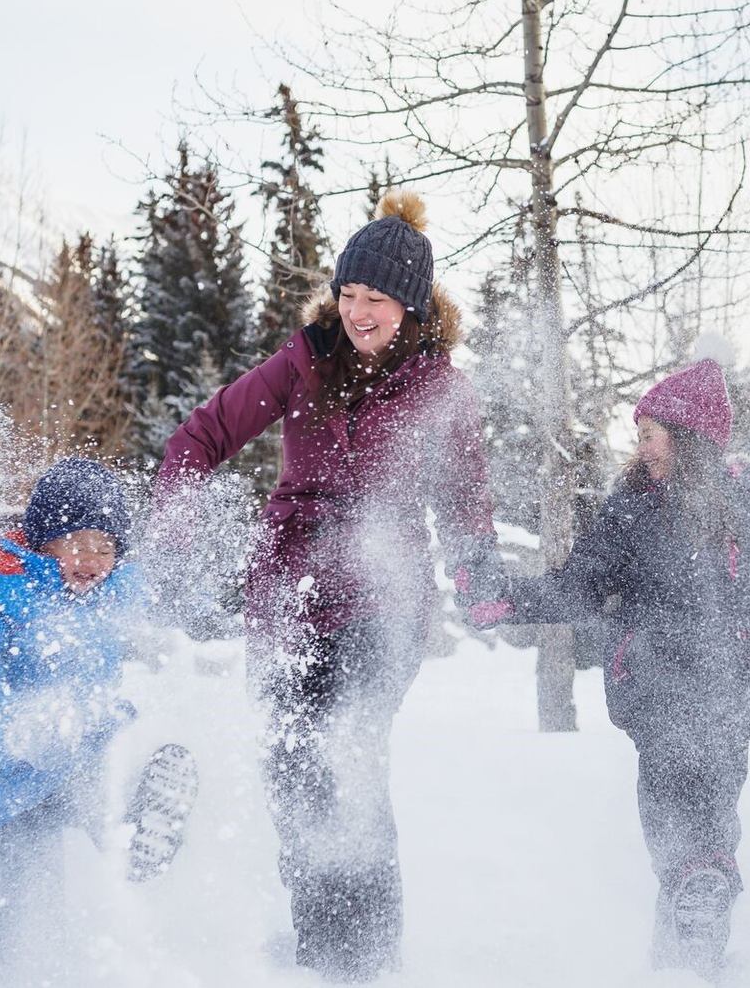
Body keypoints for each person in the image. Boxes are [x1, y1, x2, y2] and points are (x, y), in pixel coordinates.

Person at [156, 191, 501, 982]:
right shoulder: (304, 359)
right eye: (347, 295)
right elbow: (205, 433)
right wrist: (177, 508)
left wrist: (478, 573)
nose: (357, 311)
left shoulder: (440, 388)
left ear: (410, 303)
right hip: (289, 594)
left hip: (385, 597)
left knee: (348, 753)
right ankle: (321, 956)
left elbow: (463, 500)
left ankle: (372, 959)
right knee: (294, 771)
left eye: (374, 298)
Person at [469, 356, 750, 979]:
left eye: (650, 434)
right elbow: (581, 585)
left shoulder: (743, 503)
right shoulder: (631, 509)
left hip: (711, 691)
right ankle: (689, 931)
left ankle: (696, 910)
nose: (641, 446)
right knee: (686, 826)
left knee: (689, 820)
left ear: (686, 436)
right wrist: (513, 597)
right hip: (659, 694)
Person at [0, 457, 145, 974]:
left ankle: (143, 840)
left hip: (87, 759)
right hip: (13, 776)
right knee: (28, 898)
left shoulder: (114, 594)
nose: (93, 560)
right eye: (79, 542)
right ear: (45, 542)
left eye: (106, 547)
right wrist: (13, 729)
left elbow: (138, 653)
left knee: (116, 864)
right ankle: (16, 975)